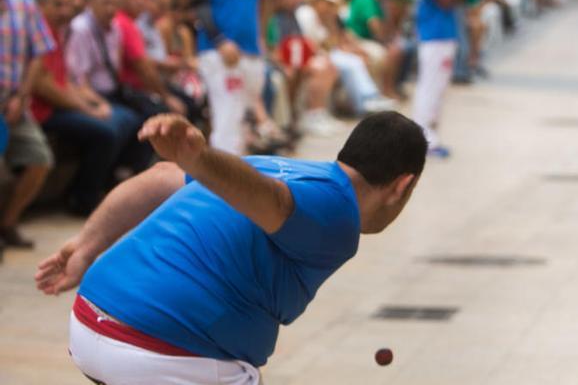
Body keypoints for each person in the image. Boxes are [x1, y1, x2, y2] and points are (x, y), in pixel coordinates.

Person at [35, 110, 426, 384]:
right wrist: (202, 158)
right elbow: (274, 204)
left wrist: (86, 246)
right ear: (402, 185)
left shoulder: (278, 165)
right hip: (161, 354)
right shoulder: (338, 212)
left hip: (90, 320)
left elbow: (160, 176)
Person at [189, 0, 277, 155]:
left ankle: (239, 179)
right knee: (227, 117)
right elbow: (199, 3)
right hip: (219, 51)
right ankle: (219, 186)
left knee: (244, 117)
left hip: (250, 50)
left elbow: (264, 0)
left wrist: (261, 36)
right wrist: (219, 40)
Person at [31, 0, 123, 216]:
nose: (66, 11)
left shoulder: (58, 33)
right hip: (40, 111)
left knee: (115, 124)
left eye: (67, 5)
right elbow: (45, 87)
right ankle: (84, 200)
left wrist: (90, 105)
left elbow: (66, 83)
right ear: (42, 5)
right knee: (105, 133)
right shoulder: (42, 32)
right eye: (57, 5)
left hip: (55, 107)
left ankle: (93, 192)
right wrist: (87, 109)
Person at [65, 0, 155, 176]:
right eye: (105, 2)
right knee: (119, 124)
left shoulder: (114, 27)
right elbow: (78, 80)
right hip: (92, 93)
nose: (111, 8)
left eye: (114, 3)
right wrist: (97, 104)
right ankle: (90, 190)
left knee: (152, 115)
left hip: (113, 90)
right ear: (91, 3)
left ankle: (129, 173)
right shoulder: (81, 29)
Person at [0, 0, 54, 252]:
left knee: (40, 158)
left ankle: (8, 222)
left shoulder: (24, 3)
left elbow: (38, 54)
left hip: (15, 103)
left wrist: (22, 96)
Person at [296, 0, 395, 117]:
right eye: (327, 2)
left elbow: (337, 40)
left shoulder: (328, 17)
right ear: (318, 1)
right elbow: (314, 44)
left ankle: (368, 99)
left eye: (331, 3)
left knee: (358, 59)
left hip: (328, 53)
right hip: (320, 55)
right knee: (352, 63)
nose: (329, 6)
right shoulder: (307, 15)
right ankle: (366, 100)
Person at [413, 0, 470, 158]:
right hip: (433, 34)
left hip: (446, 33)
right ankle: (421, 140)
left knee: (438, 89)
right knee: (429, 87)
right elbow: (445, 0)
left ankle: (431, 137)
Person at [268, 0, 340, 136]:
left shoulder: (293, 14)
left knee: (325, 65)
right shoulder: (277, 15)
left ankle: (315, 114)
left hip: (295, 59)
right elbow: (273, 46)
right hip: (281, 60)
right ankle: (307, 116)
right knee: (316, 68)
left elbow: (305, 42)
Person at [115, 0, 186, 118]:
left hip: (143, 86)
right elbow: (144, 67)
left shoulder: (133, 23)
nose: (140, 1)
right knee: (167, 110)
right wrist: (166, 97)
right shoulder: (124, 23)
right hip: (131, 89)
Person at [346, 0, 404, 99]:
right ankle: (386, 91)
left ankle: (387, 89)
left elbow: (388, 25)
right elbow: (375, 26)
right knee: (392, 52)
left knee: (397, 49)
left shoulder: (378, 0)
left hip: (367, 40)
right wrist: (386, 42)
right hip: (359, 40)